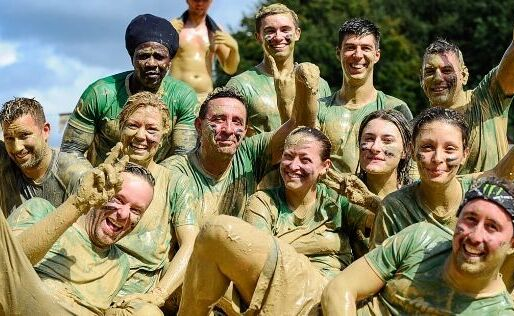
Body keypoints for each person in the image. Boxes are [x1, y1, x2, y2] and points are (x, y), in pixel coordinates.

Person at [365, 75, 514, 295]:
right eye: (428, 147)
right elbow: (376, 282)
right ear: (412, 150)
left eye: (450, 149)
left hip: (484, 300)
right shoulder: (395, 208)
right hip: (426, 305)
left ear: (465, 154)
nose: (438, 158)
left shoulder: (483, 192)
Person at [179, 127, 379, 316]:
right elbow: (261, 261)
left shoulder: (338, 203)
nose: (293, 166)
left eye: (305, 159)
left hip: (326, 295)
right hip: (279, 286)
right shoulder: (262, 202)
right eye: (288, 156)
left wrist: (370, 201)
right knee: (216, 233)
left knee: (217, 228)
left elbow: (391, 225)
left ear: (324, 167)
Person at [322, 177, 514, 315]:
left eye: (492, 227)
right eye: (470, 219)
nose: (475, 236)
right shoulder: (420, 238)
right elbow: (340, 289)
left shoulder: (498, 312)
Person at [4, 146, 156, 315]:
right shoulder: (40, 211)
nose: (124, 214)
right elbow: (7, 264)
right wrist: (78, 203)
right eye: (119, 199)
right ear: (101, 190)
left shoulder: (120, 263)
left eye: (136, 211)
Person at [162, 61, 320, 220]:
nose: (228, 129)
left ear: (245, 131)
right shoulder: (172, 172)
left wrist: (305, 87)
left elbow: (299, 129)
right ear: (198, 125)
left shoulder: (250, 154)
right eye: (219, 120)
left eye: (237, 122)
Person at [99, 92, 199, 315]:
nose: (140, 136)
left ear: (164, 135)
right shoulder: (99, 176)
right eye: (133, 125)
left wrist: (158, 295)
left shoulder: (174, 182)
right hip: (89, 285)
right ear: (120, 128)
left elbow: (191, 245)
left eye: (151, 129)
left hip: (134, 300)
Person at [61, 14, 198, 167]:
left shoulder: (183, 97)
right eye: (144, 56)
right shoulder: (100, 94)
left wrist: (149, 183)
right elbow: (70, 151)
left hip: (159, 183)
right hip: (104, 183)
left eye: (159, 56)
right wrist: (90, 180)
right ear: (131, 58)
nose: (151, 63)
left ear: (169, 62)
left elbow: (184, 156)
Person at [420, 0, 514, 174]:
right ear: (421, 79)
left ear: (464, 75)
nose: (438, 78)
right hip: (452, 202)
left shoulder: (488, 98)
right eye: (430, 71)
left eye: (447, 70)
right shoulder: (420, 129)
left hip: (497, 199)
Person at [318, 18, 413, 174]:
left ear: (376, 55)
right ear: (338, 53)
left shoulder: (395, 108)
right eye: (350, 47)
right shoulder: (319, 109)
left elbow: (411, 166)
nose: (357, 55)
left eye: (366, 48)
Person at [226, 3, 331, 136]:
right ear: (258, 37)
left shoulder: (320, 84)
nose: (278, 37)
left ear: (297, 34)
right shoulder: (240, 85)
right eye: (270, 31)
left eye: (285, 29)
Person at [0, 97, 89, 217]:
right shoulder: (5, 164)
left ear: (45, 131)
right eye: (9, 138)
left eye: (24, 135)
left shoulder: (77, 176)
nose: (17, 148)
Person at [170, 0, 240, 104]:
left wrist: (234, 49)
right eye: (196, 0)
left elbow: (230, 69)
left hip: (205, 97)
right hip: (177, 96)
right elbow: (157, 58)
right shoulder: (173, 27)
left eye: (205, 0)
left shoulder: (216, 31)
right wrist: (169, 35)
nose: (200, 3)